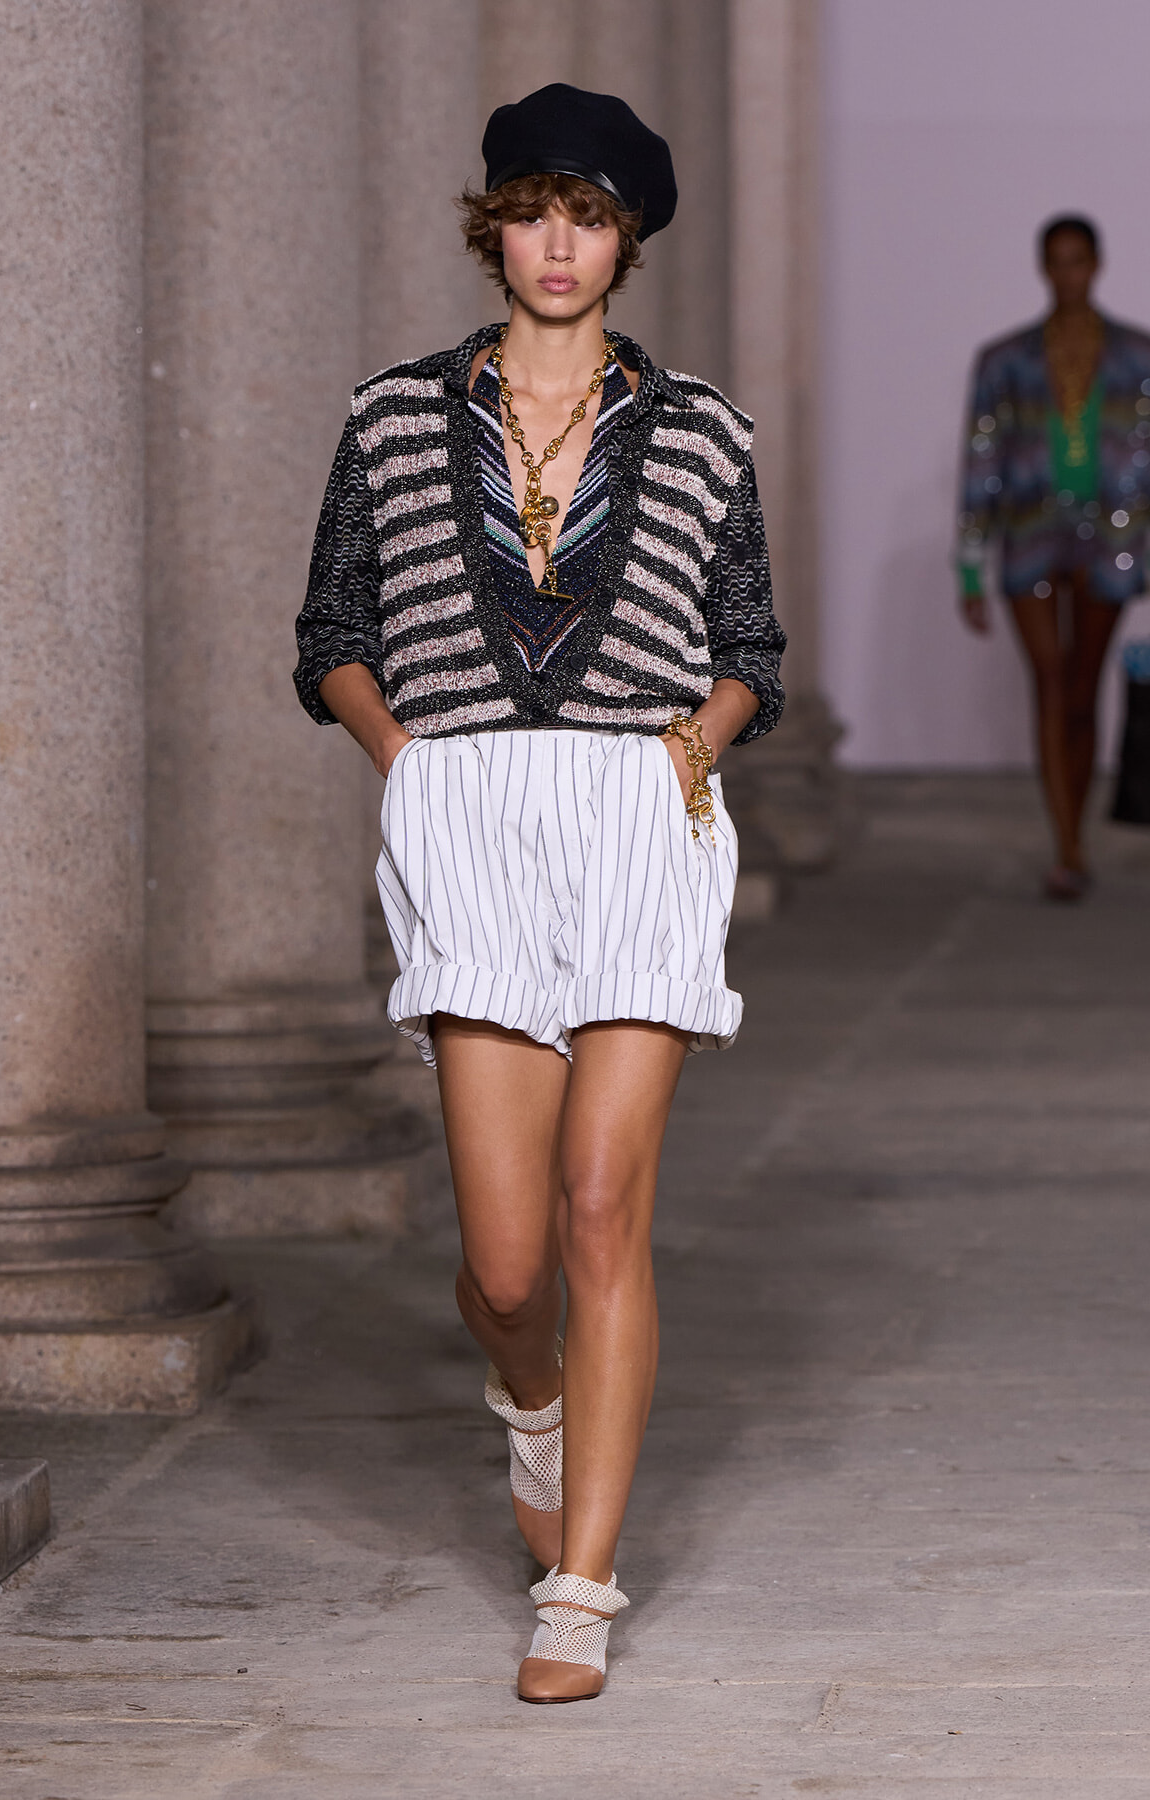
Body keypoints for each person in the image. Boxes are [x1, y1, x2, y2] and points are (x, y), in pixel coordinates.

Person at [293, 84, 785, 1703]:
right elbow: (334, 631)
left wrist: (687, 753)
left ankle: (580, 1585)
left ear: (624, 236)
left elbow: (751, 654)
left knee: (597, 1209)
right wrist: (407, 760)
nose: (558, 243)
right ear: (493, 224)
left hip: (639, 817)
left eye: (588, 215)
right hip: (473, 808)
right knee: (508, 1269)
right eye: (533, 210)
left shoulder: (705, 432)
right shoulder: (389, 418)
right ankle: (530, 1399)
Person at [958, 215, 1150, 901]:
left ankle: (1075, 837)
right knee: (1049, 684)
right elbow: (981, 461)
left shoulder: (1137, 356)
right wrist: (970, 567)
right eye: (1057, 261)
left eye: (1078, 261)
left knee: (1082, 687)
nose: (1067, 273)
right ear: (1044, 267)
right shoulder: (1005, 360)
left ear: (1096, 264)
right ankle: (1067, 845)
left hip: (1110, 540)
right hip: (1030, 535)